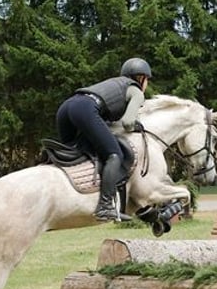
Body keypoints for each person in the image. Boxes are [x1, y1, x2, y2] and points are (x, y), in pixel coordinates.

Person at [56, 57, 151, 221]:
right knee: (114, 155)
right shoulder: (136, 91)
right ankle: (105, 206)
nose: (147, 84)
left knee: (72, 153)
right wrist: (137, 126)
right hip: (85, 109)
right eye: (147, 80)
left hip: (66, 107)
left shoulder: (113, 83)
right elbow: (128, 123)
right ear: (141, 78)